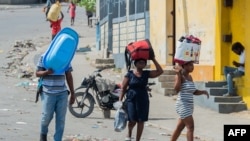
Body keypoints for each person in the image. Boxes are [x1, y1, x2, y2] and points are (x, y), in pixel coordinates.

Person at [119, 57, 163, 141]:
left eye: (143, 62)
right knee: (132, 120)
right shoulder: (129, 74)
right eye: (140, 62)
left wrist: (153, 59)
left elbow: (160, 71)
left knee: (141, 120)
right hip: (131, 99)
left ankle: (138, 139)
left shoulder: (146, 74)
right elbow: (123, 88)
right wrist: (120, 101)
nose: (142, 64)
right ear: (135, 63)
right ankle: (129, 134)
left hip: (143, 99)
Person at [36, 55, 75, 141]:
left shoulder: (65, 57)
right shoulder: (44, 57)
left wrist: (72, 93)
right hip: (48, 93)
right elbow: (37, 73)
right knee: (46, 117)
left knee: (60, 121)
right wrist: (47, 72)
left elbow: (68, 75)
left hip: (62, 93)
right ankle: (43, 135)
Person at [171, 61, 209, 141]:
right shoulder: (180, 76)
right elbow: (176, 89)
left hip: (189, 106)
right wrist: (178, 74)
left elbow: (193, 91)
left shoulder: (190, 77)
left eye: (193, 65)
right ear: (184, 66)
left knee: (179, 128)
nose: (192, 67)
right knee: (190, 127)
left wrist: (203, 92)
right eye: (190, 65)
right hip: (182, 105)